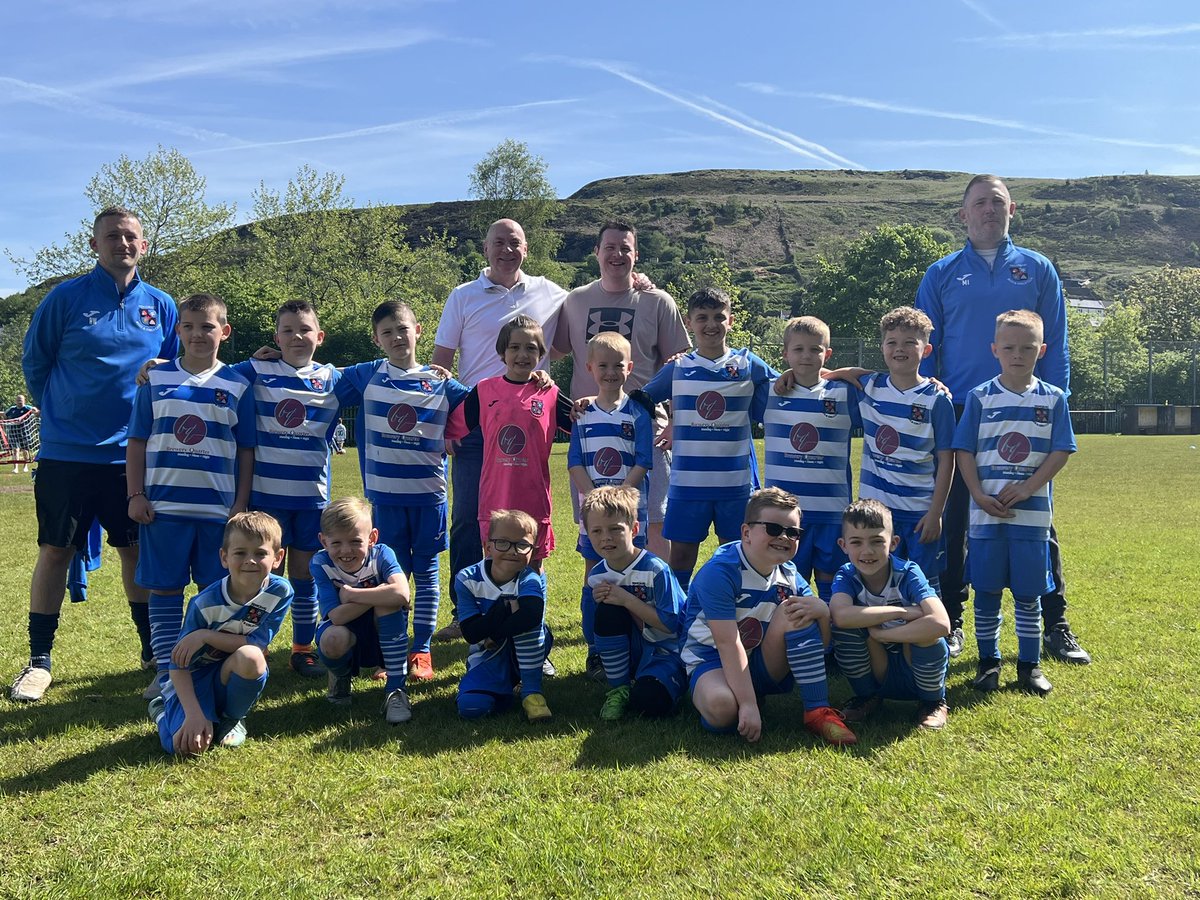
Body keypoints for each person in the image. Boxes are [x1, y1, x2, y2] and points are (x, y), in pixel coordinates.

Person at [915, 174, 1089, 665]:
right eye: (978, 203)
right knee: (955, 522)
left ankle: (1055, 624)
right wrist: (928, 401)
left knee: (1038, 518)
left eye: (997, 202)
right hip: (965, 414)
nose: (988, 210)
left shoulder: (1038, 268)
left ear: (1012, 210)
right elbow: (926, 345)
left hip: (1028, 414)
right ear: (963, 214)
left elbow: (1056, 343)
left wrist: (1054, 405)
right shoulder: (942, 272)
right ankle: (951, 620)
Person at [10, 206, 178, 703]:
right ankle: (39, 661)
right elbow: (35, 363)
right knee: (55, 551)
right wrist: (65, 411)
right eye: (112, 237)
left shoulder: (161, 305)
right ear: (94, 245)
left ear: (143, 246)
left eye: (130, 237)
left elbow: (174, 369)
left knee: (135, 552)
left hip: (132, 454)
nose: (122, 244)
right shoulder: (65, 299)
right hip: (67, 454)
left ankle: (152, 650)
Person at [431, 219, 567, 639]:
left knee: (530, 520)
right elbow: (441, 360)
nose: (507, 250)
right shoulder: (462, 296)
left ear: (527, 248)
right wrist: (449, 425)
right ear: (485, 248)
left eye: (516, 243)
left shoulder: (551, 293)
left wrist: (640, 281)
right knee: (471, 521)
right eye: (499, 243)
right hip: (477, 424)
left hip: (527, 419)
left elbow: (589, 303)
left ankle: (526, 610)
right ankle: (466, 611)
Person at [126, 293, 256, 700]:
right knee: (164, 590)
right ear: (178, 330)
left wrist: (240, 503)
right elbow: (137, 441)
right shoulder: (156, 380)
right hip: (163, 509)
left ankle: (205, 668)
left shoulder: (237, 384)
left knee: (215, 593)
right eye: (189, 326)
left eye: (208, 326)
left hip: (218, 512)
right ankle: (166, 671)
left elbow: (246, 449)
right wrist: (135, 493)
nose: (198, 334)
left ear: (224, 331)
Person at [335, 301, 469, 681]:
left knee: (426, 575)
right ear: (377, 340)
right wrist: (272, 360)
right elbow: (314, 377)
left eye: (403, 329)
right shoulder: (366, 374)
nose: (397, 337)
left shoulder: (441, 381)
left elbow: (487, 401)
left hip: (430, 498)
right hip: (385, 500)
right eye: (387, 332)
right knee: (392, 577)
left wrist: (537, 382)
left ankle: (421, 651)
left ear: (418, 331)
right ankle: (389, 653)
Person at [953, 310, 1076, 696]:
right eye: (1009, 347)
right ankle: (988, 665)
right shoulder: (980, 397)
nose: (1017, 354)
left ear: (1041, 350)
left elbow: (1061, 450)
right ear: (995, 350)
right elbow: (964, 450)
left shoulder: (1052, 399)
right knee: (986, 593)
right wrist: (977, 494)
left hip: (1031, 519)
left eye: (1027, 348)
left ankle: (1029, 666)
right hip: (987, 518)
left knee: (1028, 594)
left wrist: (1028, 488)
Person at [553, 220, 690, 562]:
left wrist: (676, 422)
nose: (617, 255)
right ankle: (601, 602)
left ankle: (655, 605)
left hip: (649, 431)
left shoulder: (658, 301)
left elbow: (682, 367)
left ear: (636, 255)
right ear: (596, 252)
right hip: (590, 431)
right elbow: (548, 354)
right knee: (595, 522)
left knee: (653, 522)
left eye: (625, 248)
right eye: (610, 247)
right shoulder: (575, 300)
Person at [680, 487, 856, 745]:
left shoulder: (790, 575)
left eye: (793, 532)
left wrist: (822, 609)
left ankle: (818, 711)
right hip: (711, 659)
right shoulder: (721, 571)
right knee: (723, 708)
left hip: (760, 659)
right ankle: (729, 695)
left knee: (799, 609)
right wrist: (748, 704)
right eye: (773, 529)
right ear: (746, 532)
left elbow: (824, 644)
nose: (784, 537)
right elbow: (728, 643)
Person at [230, 300, 341, 680]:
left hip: (311, 501)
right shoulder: (256, 370)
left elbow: (383, 377)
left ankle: (302, 649)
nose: (297, 336)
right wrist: (157, 367)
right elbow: (208, 374)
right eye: (288, 330)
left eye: (305, 329)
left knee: (304, 578)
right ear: (276, 337)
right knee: (257, 577)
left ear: (319, 337)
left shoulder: (333, 379)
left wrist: (431, 372)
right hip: (265, 501)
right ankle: (250, 644)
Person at [643, 288, 776, 590]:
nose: (711, 324)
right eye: (702, 317)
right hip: (689, 485)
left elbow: (786, 385)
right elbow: (640, 400)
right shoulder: (678, 368)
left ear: (731, 321)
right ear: (689, 322)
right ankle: (679, 617)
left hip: (735, 485)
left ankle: (734, 611)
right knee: (681, 557)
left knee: (738, 555)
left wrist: (828, 376)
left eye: (719, 317)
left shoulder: (747, 364)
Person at [147, 511, 292, 755]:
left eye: (260, 553)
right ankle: (161, 709)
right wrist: (193, 714)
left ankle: (233, 718)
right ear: (224, 557)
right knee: (185, 747)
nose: (250, 561)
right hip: (193, 677)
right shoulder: (204, 604)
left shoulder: (280, 592)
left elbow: (256, 644)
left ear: (278, 558)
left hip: (230, 671)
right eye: (240, 553)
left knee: (252, 657)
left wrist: (205, 636)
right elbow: (178, 664)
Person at [445, 315, 574, 575]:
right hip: (496, 497)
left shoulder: (548, 393)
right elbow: (451, 427)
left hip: (533, 496)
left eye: (530, 348)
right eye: (514, 347)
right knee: (496, 566)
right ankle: (495, 615)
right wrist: (445, 436)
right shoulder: (484, 390)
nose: (522, 354)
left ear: (541, 354)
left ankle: (533, 615)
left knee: (532, 566)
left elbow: (580, 422)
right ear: (502, 351)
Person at [567, 332, 655, 676]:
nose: (610, 372)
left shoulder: (638, 413)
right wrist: (595, 499)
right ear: (590, 368)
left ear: (629, 367)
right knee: (594, 579)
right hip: (595, 514)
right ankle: (596, 649)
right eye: (602, 365)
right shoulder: (582, 413)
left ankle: (639, 642)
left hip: (631, 512)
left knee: (636, 577)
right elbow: (574, 461)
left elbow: (643, 459)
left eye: (618, 365)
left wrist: (619, 500)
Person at [855, 308, 956, 603]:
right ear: (882, 347)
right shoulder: (870, 386)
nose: (899, 349)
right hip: (877, 512)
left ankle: (931, 642)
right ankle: (886, 642)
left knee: (924, 584)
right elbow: (828, 373)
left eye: (909, 343)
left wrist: (936, 513)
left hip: (919, 512)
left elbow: (947, 461)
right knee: (877, 580)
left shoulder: (936, 399)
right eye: (892, 342)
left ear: (925, 350)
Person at [829, 499, 951, 730]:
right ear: (843, 545)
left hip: (911, 658)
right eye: (856, 542)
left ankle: (932, 702)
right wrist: (902, 612)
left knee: (928, 633)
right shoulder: (847, 575)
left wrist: (886, 635)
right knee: (843, 629)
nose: (867, 551)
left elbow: (942, 623)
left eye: (877, 541)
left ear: (893, 543)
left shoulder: (908, 572)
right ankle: (867, 697)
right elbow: (841, 616)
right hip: (876, 662)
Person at [763, 316, 860, 605]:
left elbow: (888, 381)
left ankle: (834, 644)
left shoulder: (844, 393)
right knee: (787, 585)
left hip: (831, 512)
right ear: (785, 353)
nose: (807, 356)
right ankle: (794, 644)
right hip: (786, 515)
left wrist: (845, 372)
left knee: (832, 583)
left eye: (815, 350)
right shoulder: (768, 391)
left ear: (827, 354)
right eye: (798, 349)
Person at [580, 486, 686, 720]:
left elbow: (672, 625)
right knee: (608, 607)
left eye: (615, 529)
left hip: (667, 651)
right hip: (630, 648)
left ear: (634, 529)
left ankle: (665, 679)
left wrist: (627, 600)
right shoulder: (597, 575)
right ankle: (619, 688)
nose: (605, 537)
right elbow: (594, 628)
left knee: (649, 703)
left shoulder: (656, 570)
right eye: (596, 531)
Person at [312, 496, 413, 724]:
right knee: (332, 638)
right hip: (345, 627)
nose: (346, 550)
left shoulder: (382, 554)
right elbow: (336, 616)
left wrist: (352, 595)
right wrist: (380, 593)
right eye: (336, 543)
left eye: (355, 541)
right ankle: (340, 677)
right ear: (323, 541)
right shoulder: (320, 564)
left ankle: (396, 690)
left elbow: (403, 594)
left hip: (383, 628)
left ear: (372, 538)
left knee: (388, 606)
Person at [453, 508, 554, 723]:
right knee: (471, 707)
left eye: (522, 545)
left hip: (526, 648)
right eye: (503, 543)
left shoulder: (529, 578)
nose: (512, 551)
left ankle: (532, 692)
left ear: (533, 552)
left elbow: (531, 616)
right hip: (487, 653)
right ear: (487, 547)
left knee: (528, 627)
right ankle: (503, 690)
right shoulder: (467, 579)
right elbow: (471, 633)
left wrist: (493, 632)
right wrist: (504, 608)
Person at [4, 394, 38, 474]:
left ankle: (25, 466)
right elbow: (5, 415)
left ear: (24, 401)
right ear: (16, 401)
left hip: (24, 431)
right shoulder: (12, 409)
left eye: (21, 400)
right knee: (15, 450)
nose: (19, 402)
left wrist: (35, 410)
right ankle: (15, 468)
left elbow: (35, 411)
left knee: (25, 450)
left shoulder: (27, 408)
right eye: (18, 400)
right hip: (13, 431)